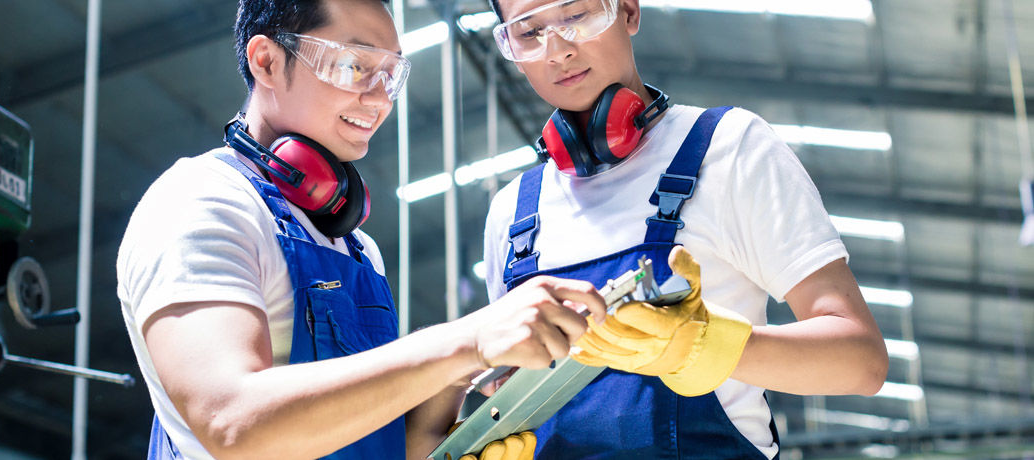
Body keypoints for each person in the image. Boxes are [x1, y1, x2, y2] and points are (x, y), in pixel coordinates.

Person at [116, 1, 608, 458]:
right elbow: (233, 422)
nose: (379, 100)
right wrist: (465, 340)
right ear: (266, 61)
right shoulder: (202, 202)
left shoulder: (356, 247)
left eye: (391, 75)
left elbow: (376, 440)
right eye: (353, 65)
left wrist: (454, 383)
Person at [480, 0, 890, 457]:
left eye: (577, 16)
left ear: (629, 12)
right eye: (529, 32)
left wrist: (706, 348)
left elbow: (860, 361)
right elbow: (512, 394)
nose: (556, 50)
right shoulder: (512, 213)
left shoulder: (729, 148)